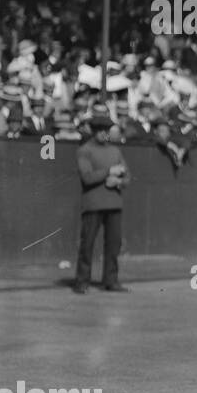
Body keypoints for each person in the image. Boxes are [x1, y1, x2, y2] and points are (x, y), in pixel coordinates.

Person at [74, 104, 131, 294]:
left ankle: (111, 280)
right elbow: (87, 177)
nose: (104, 134)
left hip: (114, 203)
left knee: (113, 244)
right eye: (100, 131)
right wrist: (109, 172)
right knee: (87, 244)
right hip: (93, 204)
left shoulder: (115, 151)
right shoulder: (85, 150)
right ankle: (82, 281)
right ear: (93, 131)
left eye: (106, 131)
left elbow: (127, 176)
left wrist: (118, 182)